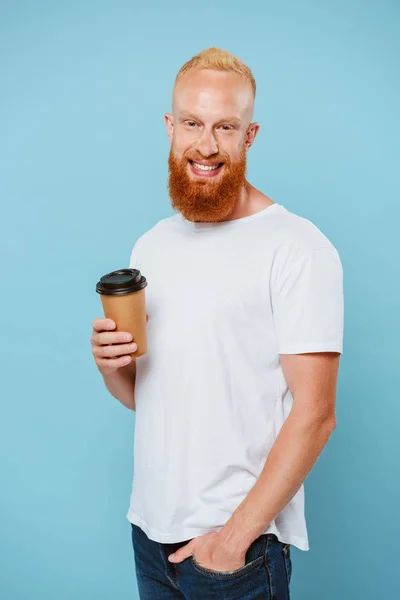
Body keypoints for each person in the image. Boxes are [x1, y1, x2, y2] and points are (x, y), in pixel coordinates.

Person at [90, 47, 344, 600]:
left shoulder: (296, 247)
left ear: (249, 135)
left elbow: (316, 413)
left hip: (237, 555)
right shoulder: (151, 245)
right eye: (192, 123)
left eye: (224, 127)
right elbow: (157, 396)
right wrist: (112, 369)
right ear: (169, 127)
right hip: (149, 536)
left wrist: (233, 542)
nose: (205, 145)